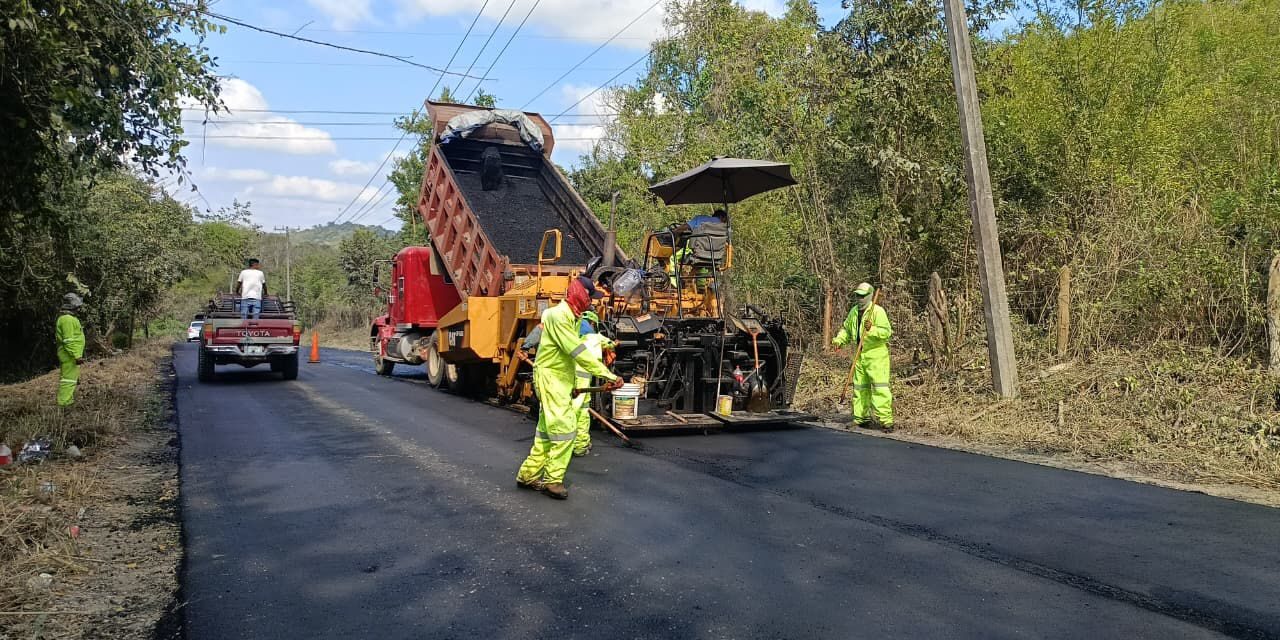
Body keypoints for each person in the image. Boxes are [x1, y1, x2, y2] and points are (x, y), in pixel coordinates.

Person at [516, 277, 621, 500]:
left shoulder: (573, 317)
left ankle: (528, 474)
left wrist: (573, 385)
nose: (592, 303)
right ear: (581, 296)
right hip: (551, 379)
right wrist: (608, 375)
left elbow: (567, 358)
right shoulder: (559, 317)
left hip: (559, 380)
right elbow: (576, 351)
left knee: (546, 433)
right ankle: (553, 480)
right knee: (565, 430)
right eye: (590, 298)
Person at [832, 282, 893, 431]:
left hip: (876, 356)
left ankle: (886, 421)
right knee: (860, 388)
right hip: (860, 355)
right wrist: (839, 340)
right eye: (857, 296)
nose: (860, 298)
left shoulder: (877, 312)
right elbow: (847, 329)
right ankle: (861, 418)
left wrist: (872, 329)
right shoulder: (854, 311)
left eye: (862, 296)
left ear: (870, 296)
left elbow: (886, 333)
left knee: (879, 388)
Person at [572, 311, 615, 457]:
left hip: (567, 375)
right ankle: (577, 446)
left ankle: (579, 444)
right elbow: (610, 343)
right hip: (583, 377)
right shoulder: (595, 337)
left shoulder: (571, 334)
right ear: (592, 323)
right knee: (579, 410)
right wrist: (614, 345)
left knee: (579, 409)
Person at [55, 293, 86, 407]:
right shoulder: (67, 319)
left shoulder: (68, 318)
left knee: (71, 379)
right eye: (77, 306)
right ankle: (64, 404)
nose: (78, 308)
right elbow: (68, 340)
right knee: (68, 380)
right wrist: (76, 355)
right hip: (69, 356)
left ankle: (68, 402)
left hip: (70, 355)